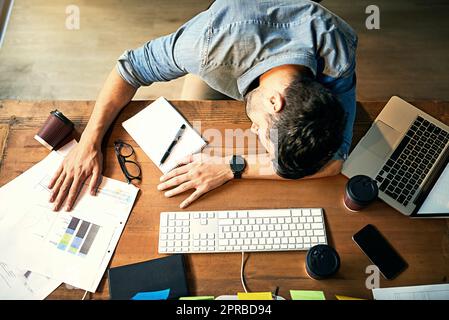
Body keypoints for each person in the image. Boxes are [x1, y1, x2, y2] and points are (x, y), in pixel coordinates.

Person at [48, 0, 357, 211]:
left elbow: (333, 160)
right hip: (231, 43)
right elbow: (129, 69)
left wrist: (231, 166)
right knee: (192, 102)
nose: (252, 129)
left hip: (280, 44)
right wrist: (89, 141)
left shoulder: (336, 52)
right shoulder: (204, 47)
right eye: (261, 130)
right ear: (275, 101)